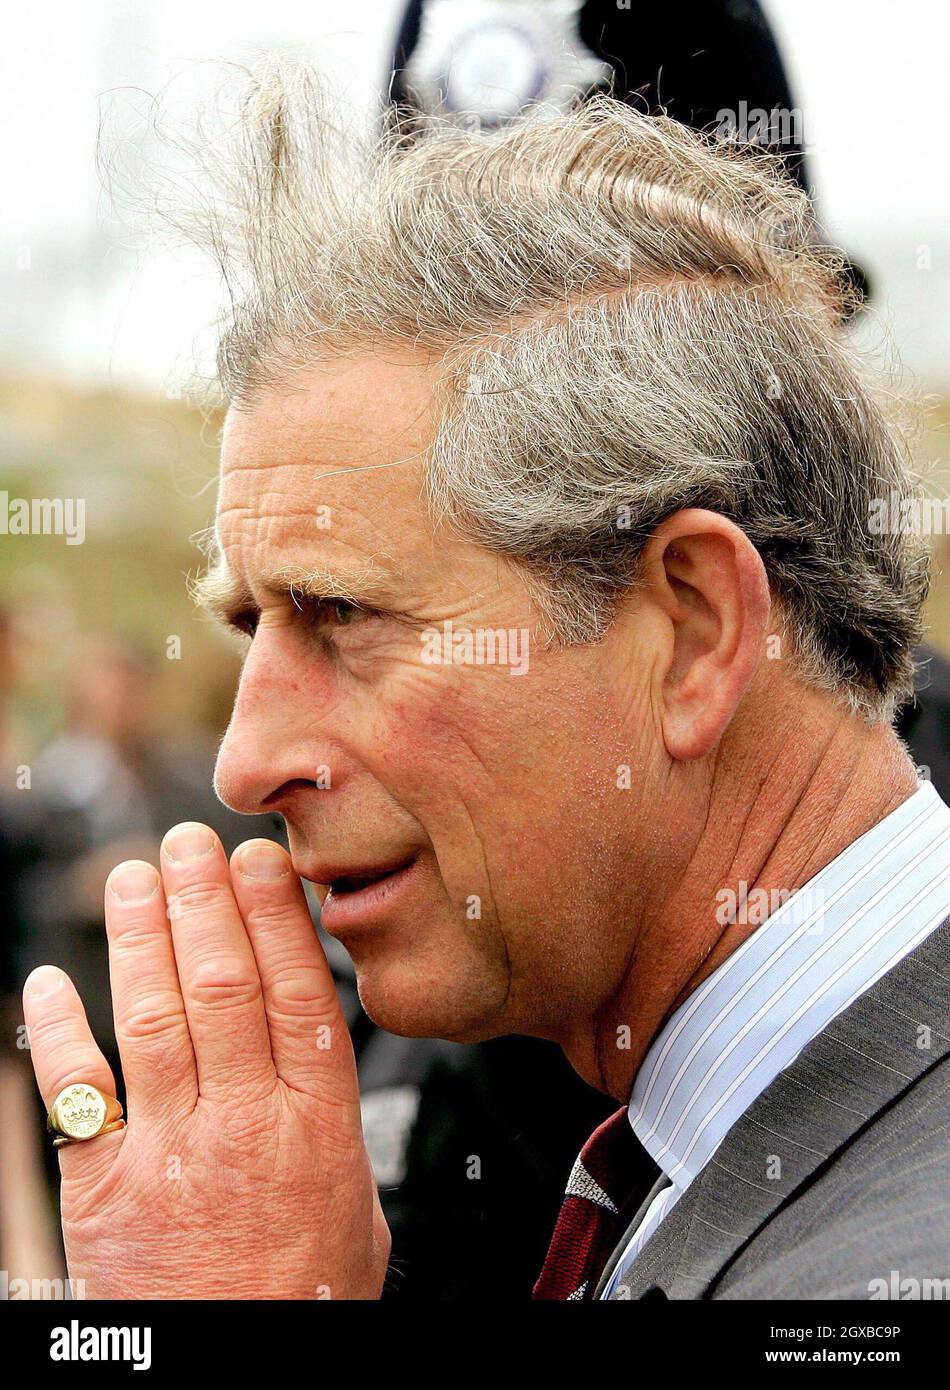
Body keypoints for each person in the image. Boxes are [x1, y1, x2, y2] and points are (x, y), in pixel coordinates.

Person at [21, 70, 949, 1300]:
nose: (246, 762)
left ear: (690, 630)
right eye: (253, 628)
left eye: (340, 613)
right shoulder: (712, 1137)